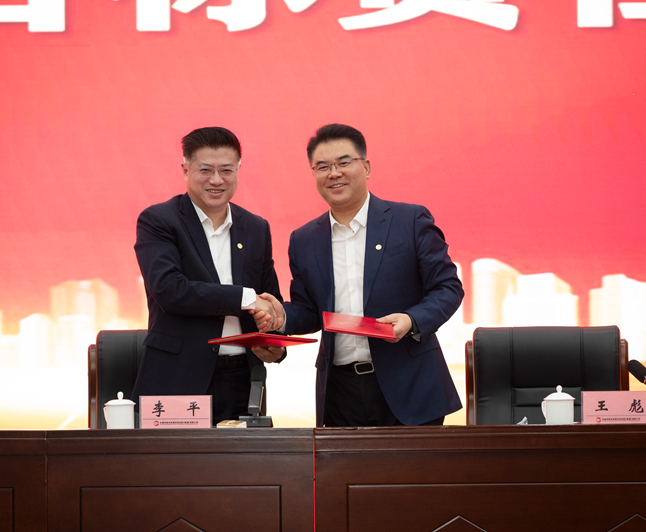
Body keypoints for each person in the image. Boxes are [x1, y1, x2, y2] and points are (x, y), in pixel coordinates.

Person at [259, 124, 463, 427]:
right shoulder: (303, 239)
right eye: (323, 166)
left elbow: (447, 287)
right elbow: (310, 311)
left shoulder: (409, 220)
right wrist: (281, 317)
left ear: (366, 167)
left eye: (344, 162)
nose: (334, 173)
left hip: (410, 385)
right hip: (339, 391)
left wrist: (411, 320)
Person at [132, 126, 284, 423]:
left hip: (242, 381)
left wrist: (274, 342)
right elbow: (170, 290)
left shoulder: (256, 228)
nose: (216, 180)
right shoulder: (159, 220)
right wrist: (246, 298)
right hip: (178, 378)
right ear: (185, 170)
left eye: (226, 170)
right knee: (177, 455)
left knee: (242, 455)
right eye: (205, 170)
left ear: (238, 170)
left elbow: (269, 298)